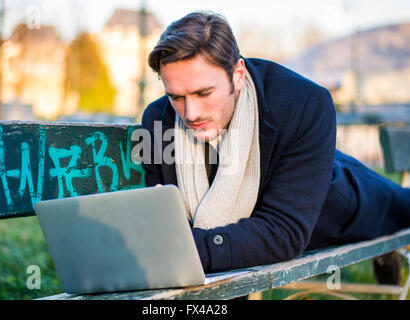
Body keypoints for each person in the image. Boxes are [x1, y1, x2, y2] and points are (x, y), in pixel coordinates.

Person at [140, 11, 410, 281]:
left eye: (204, 93)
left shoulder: (303, 103)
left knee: (399, 206)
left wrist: (184, 249)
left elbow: (284, 232)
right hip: (270, 198)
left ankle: (387, 248)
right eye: (176, 97)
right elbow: (166, 220)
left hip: (331, 201)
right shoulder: (158, 120)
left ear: (237, 74)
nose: (190, 113)